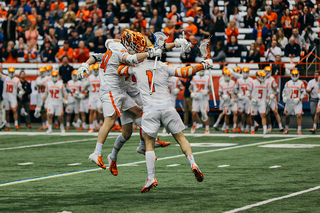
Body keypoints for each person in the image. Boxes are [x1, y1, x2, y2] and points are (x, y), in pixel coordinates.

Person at [77, 30, 168, 170]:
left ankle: (141, 147)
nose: (138, 48)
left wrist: (174, 44)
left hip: (120, 91)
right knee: (110, 120)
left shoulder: (115, 45)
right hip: (111, 90)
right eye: (135, 45)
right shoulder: (121, 51)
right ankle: (96, 153)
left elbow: (97, 55)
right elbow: (132, 59)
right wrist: (150, 54)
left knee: (138, 114)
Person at [118, 57, 211, 192]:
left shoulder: (137, 67)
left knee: (149, 143)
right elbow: (185, 72)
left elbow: (120, 70)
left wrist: (131, 59)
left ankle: (151, 177)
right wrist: (203, 64)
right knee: (181, 138)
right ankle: (193, 163)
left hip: (150, 110)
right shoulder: (164, 65)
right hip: (167, 107)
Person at [282, 69, 306, 135]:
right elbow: (284, 92)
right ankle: (286, 128)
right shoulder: (287, 83)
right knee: (287, 116)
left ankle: (299, 130)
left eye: (296, 75)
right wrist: (284, 97)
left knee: (299, 115)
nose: (294, 76)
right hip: (289, 101)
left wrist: (299, 99)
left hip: (297, 102)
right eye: (293, 75)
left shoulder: (301, 83)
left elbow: (303, 93)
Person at [190, 67, 212, 134]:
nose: (202, 70)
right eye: (201, 69)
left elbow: (211, 89)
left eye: (203, 69)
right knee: (194, 113)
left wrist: (207, 91)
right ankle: (194, 124)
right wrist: (192, 93)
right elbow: (190, 87)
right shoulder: (195, 77)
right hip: (196, 98)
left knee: (204, 114)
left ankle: (207, 128)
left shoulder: (208, 78)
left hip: (204, 98)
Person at [264, 66, 284, 131]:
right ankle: (270, 126)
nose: (267, 72)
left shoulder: (272, 79)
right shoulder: (262, 79)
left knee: (275, 112)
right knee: (267, 113)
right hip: (265, 98)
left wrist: (273, 95)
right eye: (266, 71)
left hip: (271, 97)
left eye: (268, 71)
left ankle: (280, 126)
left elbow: (277, 90)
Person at [218, 69, 237, 133]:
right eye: (227, 75)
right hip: (225, 101)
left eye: (229, 75)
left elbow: (235, 92)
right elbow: (220, 93)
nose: (229, 77)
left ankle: (234, 127)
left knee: (235, 112)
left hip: (232, 101)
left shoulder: (233, 82)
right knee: (227, 115)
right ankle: (227, 128)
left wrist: (233, 99)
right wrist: (223, 96)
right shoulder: (221, 83)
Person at [236, 67, 253, 133]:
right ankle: (241, 125)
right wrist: (238, 94)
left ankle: (247, 127)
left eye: (246, 72)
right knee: (239, 113)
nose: (245, 73)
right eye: (244, 72)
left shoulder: (251, 80)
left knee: (248, 114)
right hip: (241, 98)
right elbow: (236, 89)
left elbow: (252, 89)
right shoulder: (239, 80)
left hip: (248, 99)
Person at [87, 64, 102, 132]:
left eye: (97, 69)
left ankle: (99, 124)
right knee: (91, 111)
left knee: (99, 111)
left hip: (99, 96)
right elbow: (85, 87)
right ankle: (91, 127)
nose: (96, 71)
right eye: (94, 69)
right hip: (92, 96)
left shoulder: (101, 76)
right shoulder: (89, 77)